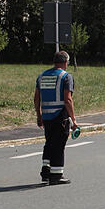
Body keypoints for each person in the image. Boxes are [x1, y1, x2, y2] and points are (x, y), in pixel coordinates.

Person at [33, 50, 78, 184]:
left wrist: (39, 115)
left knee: (49, 143)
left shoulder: (42, 76)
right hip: (60, 117)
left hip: (47, 117)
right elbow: (67, 99)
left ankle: (46, 172)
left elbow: (36, 98)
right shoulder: (66, 77)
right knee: (58, 146)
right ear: (66, 62)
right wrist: (73, 120)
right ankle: (56, 175)